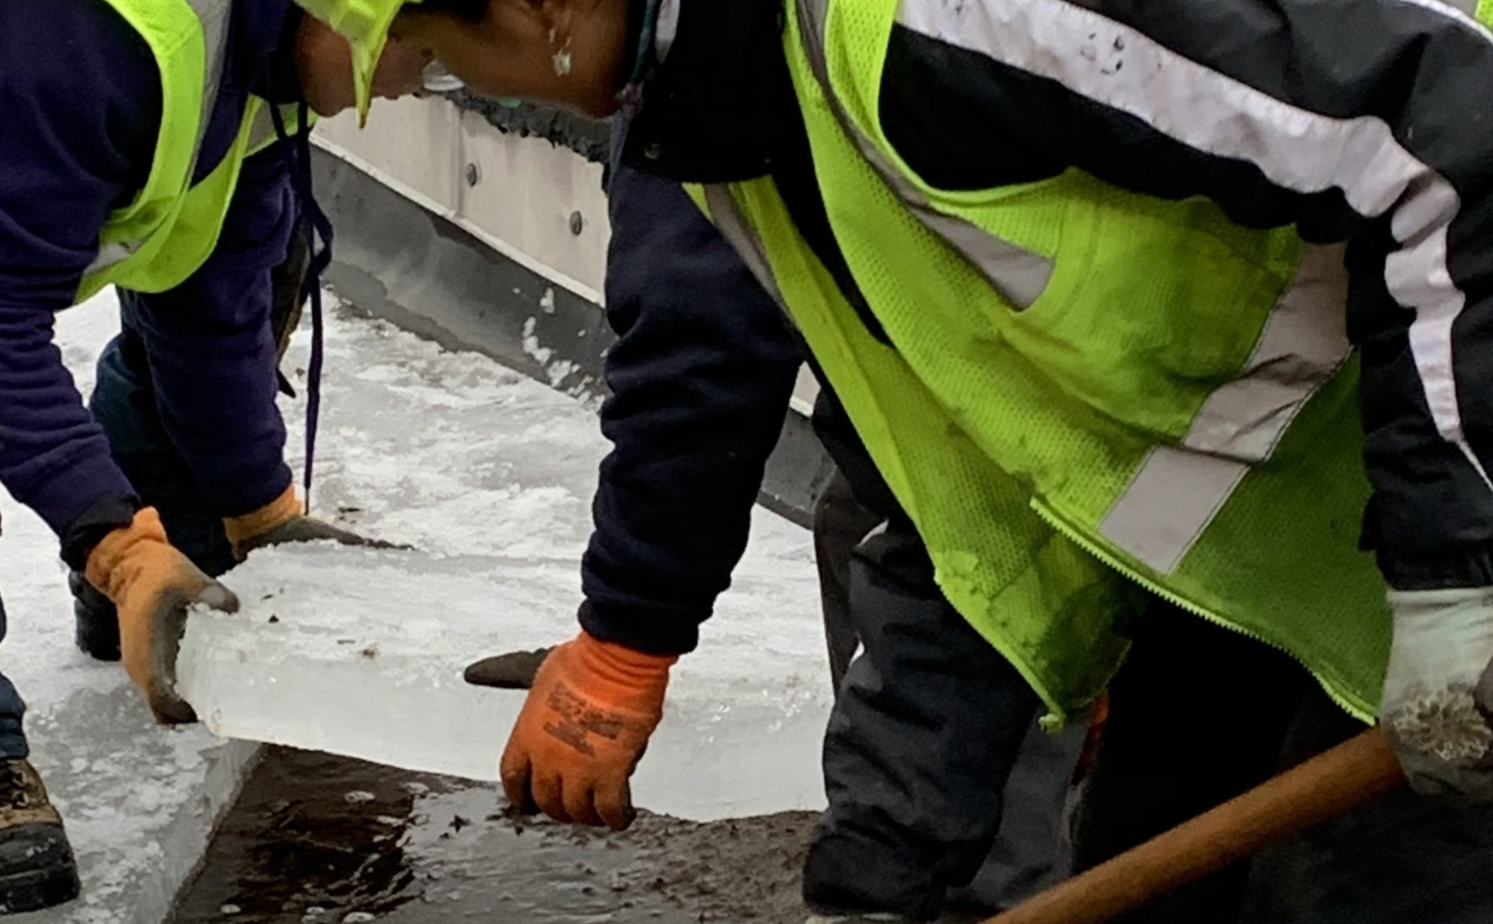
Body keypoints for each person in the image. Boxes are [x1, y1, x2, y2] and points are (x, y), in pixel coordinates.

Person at [331, 0, 1493, 921]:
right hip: (1287, 576)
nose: (447, 90)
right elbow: (964, 525)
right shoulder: (747, 142)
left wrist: (1458, 570)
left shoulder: (933, 23)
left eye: (436, 58)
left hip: (1441, 499)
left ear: (548, 7)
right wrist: (877, 879)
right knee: (1160, 880)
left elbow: (1450, 134)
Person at [0, 0, 421, 913]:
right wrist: (112, 543)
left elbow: (215, 277)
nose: (404, 91)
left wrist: (256, 508)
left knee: (270, 246)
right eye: (418, 54)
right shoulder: (79, 31)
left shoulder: (273, 50)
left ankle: (179, 534)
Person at [463, 147, 1086, 918]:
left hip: (1103, 444)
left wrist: (624, 646)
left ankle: (982, 889)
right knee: (860, 517)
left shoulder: (698, 73)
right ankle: (928, 871)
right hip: (975, 399)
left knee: (986, 605)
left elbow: (701, 355)